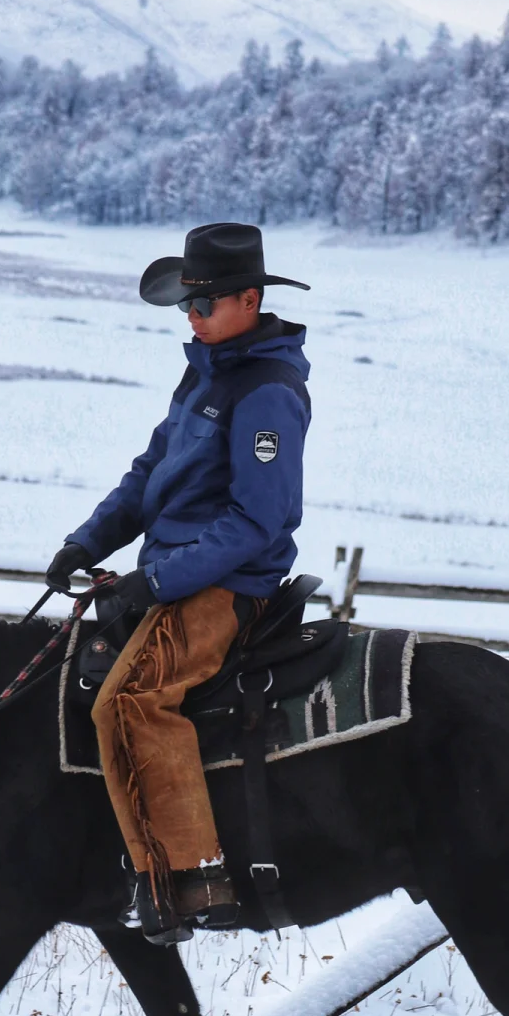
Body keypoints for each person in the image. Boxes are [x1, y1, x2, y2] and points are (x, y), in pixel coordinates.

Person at [45, 222, 311, 945]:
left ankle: (194, 880)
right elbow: (150, 472)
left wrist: (154, 579)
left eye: (206, 305)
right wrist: (90, 539)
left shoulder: (267, 394)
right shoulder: (205, 374)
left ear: (250, 298)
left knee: (129, 701)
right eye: (185, 308)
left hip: (227, 582)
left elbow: (257, 521)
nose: (191, 320)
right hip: (180, 568)